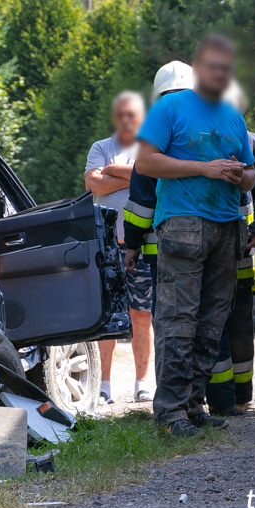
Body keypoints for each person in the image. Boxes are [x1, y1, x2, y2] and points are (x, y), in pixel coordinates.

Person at [134, 33, 255, 437]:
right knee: (177, 321)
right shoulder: (169, 106)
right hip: (183, 224)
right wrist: (203, 168)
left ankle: (194, 405)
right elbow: (147, 163)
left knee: (211, 322)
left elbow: (253, 175)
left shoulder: (232, 116)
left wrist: (242, 176)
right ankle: (170, 414)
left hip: (227, 228)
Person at [206, 81, 255, 416]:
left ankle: (234, 398)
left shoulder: (250, 143)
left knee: (231, 323)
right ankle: (232, 398)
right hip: (228, 250)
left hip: (238, 250)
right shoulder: (236, 141)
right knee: (232, 323)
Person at [85, 91, 155, 403]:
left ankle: (142, 382)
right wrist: (133, 177)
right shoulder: (100, 147)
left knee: (141, 315)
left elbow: (152, 180)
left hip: (140, 246)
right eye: (122, 114)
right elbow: (93, 184)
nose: (127, 119)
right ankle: (104, 385)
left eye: (133, 114)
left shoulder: (151, 147)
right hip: (107, 246)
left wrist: (113, 170)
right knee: (107, 317)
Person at [124, 61, 196, 303]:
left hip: (164, 250)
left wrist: (132, 244)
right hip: (212, 247)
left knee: (171, 316)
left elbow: (142, 202)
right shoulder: (214, 128)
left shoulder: (156, 132)